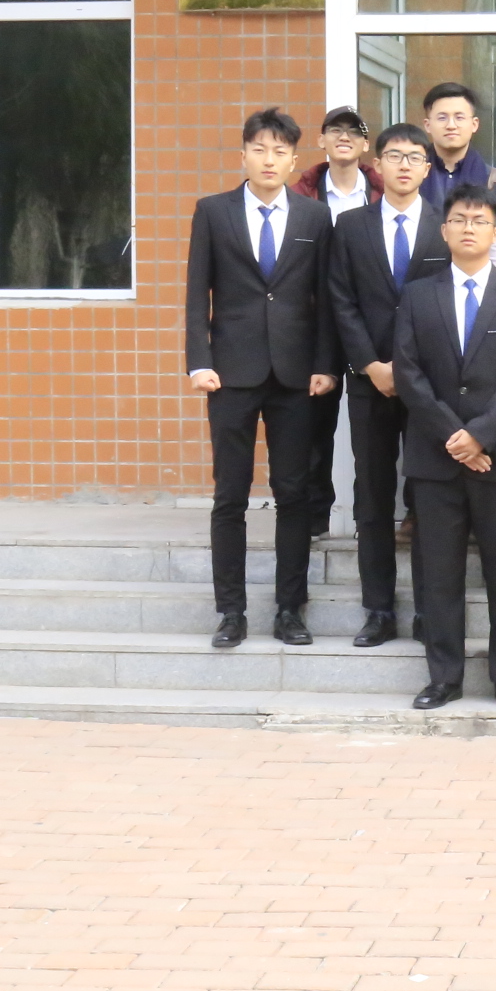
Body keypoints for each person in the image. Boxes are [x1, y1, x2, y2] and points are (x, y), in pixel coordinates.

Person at [184, 108, 340, 650]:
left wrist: (325, 364)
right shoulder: (213, 211)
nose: (269, 160)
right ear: (243, 155)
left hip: (296, 375)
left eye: (280, 151)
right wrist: (198, 361)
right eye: (259, 149)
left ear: (294, 160)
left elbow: (326, 300)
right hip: (229, 373)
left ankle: (290, 609)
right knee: (229, 495)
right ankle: (231, 611)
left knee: (293, 493)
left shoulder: (315, 218)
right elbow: (196, 293)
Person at [392, 185, 496, 710]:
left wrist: (481, 434)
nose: (468, 228)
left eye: (479, 221)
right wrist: (453, 437)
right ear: (445, 229)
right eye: (459, 219)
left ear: (495, 232)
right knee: (438, 572)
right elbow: (409, 373)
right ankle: (443, 676)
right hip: (434, 457)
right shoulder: (418, 295)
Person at [326, 122, 444, 647]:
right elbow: (341, 300)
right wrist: (370, 364)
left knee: (427, 498)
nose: (404, 165)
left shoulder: (445, 225)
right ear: (378, 164)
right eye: (394, 155)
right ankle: (378, 609)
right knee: (371, 494)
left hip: (429, 384)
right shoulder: (351, 225)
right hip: (369, 380)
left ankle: (429, 611)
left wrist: (410, 369)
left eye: (414, 157)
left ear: (426, 167)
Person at [294, 105, 378, 525]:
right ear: (321, 140)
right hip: (314, 325)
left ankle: (370, 520)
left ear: (365, 144)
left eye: (354, 131)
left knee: (374, 434)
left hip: (369, 324)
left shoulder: (381, 192)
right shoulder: (300, 196)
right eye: (335, 130)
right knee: (313, 425)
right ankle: (314, 519)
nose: (344, 137)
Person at [416, 81, 496, 221]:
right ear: (427, 125)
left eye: (459, 118)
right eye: (442, 118)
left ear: (474, 124)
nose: (451, 125)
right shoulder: (410, 176)